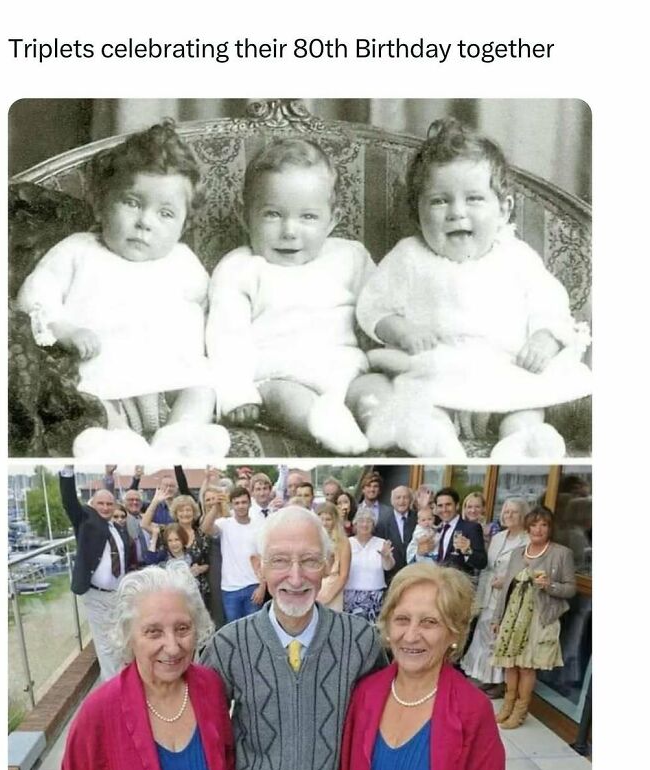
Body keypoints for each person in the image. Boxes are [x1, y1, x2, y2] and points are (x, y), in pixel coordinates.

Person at [354, 117, 592, 459]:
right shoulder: (409, 256)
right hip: (440, 371)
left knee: (525, 409)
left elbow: (552, 307)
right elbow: (373, 307)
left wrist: (545, 338)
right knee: (420, 405)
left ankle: (524, 442)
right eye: (439, 201)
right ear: (416, 211)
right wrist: (401, 330)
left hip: (507, 371)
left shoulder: (517, 257)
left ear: (503, 210)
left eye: (474, 199)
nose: (457, 213)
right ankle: (435, 439)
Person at [17, 119, 228, 456]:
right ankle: (118, 445)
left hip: (168, 376)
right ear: (101, 202)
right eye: (132, 202)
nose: (145, 222)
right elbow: (35, 296)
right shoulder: (78, 250)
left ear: (184, 225)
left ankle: (181, 436)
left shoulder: (185, 262)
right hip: (103, 375)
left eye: (166, 213)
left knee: (203, 389)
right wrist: (66, 330)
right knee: (87, 402)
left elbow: (212, 314)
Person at [200, 506, 384, 770]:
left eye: (311, 561)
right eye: (280, 560)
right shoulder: (228, 645)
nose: (296, 578)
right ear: (259, 567)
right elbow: (208, 746)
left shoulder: (361, 641)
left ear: (329, 563)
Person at [59, 565, 247, 770]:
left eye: (183, 628)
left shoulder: (210, 688)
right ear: (129, 636)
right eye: (153, 632)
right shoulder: (98, 713)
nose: (172, 647)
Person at [206, 138, 376, 455]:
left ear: (333, 219)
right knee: (286, 400)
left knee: (376, 391)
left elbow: (381, 310)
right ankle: (323, 424)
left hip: (346, 372)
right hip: (278, 375)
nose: (289, 231)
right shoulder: (239, 268)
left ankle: (386, 424)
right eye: (272, 214)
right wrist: (237, 393)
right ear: (246, 218)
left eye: (308, 217)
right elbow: (225, 338)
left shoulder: (351, 258)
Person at [332, 563, 505, 770]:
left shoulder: (473, 711)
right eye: (402, 619)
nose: (411, 636)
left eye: (429, 622)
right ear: (387, 627)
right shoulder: (365, 695)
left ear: (454, 633)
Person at [491, 505, 576, 729]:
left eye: (544, 524)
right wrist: (497, 619)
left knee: (527, 666)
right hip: (512, 616)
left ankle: (520, 711)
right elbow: (506, 588)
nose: (538, 529)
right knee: (510, 663)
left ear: (550, 528)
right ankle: (507, 705)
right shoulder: (518, 552)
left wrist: (551, 585)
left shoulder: (561, 553)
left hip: (539, 617)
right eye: (534, 525)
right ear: (528, 528)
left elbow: (571, 589)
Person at [59, 466, 131, 680]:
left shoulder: (115, 528)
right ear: (92, 504)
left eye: (110, 504)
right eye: (101, 503)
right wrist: (68, 470)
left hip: (118, 596)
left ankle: (121, 682)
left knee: (121, 642)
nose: (106, 507)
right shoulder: (85, 520)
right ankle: (112, 690)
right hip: (97, 595)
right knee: (107, 647)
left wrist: (108, 476)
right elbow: (69, 501)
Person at [460, 498, 529, 698]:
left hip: (508, 597)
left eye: (514, 511)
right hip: (488, 593)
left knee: (498, 639)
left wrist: (508, 580)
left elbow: (528, 570)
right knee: (483, 635)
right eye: (506, 511)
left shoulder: (526, 540)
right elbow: (488, 565)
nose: (508, 515)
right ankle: (484, 677)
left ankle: (499, 682)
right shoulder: (498, 537)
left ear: (522, 514)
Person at [200, 486, 264, 623]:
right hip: (230, 589)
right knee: (234, 632)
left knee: (254, 631)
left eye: (244, 502)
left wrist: (262, 587)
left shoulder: (259, 526)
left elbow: (263, 559)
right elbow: (205, 528)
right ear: (231, 505)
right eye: (237, 503)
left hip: (253, 586)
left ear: (250, 503)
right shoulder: (224, 524)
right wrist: (216, 507)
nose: (241, 506)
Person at [414, 488, 486, 577]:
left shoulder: (471, 528)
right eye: (440, 506)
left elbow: (482, 563)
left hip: (457, 586)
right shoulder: (434, 528)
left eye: (448, 505)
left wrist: (467, 550)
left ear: (457, 506)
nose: (444, 509)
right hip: (436, 581)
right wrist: (420, 552)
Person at [345, 509, 396, 622]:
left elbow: (389, 567)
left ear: (373, 525)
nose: (364, 524)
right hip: (350, 596)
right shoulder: (346, 543)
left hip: (375, 597)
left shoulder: (381, 542)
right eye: (361, 521)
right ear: (355, 524)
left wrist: (386, 557)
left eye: (369, 521)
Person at [375, 485, 417, 585]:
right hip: (391, 578)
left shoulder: (418, 519)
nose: (402, 501)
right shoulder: (382, 523)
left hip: (414, 575)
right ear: (392, 501)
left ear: (410, 500)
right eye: (398, 497)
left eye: (405, 497)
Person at [316, 502, 351, 611]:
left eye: (328, 519)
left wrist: (328, 597)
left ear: (334, 520)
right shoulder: (312, 540)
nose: (324, 523)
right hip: (314, 591)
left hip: (333, 591)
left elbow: (344, 575)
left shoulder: (343, 542)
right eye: (321, 519)